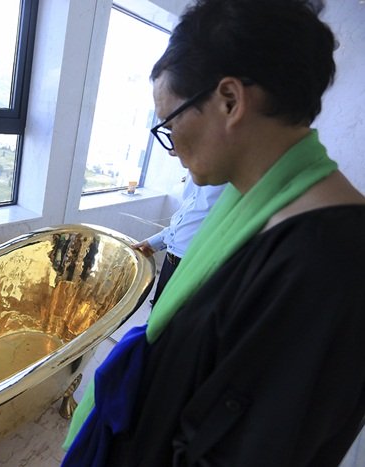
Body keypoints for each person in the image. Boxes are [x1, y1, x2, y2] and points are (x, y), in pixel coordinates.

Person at [62, 0, 365, 466]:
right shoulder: (249, 203)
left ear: (229, 101)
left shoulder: (331, 262)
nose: (171, 145)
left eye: (170, 122)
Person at [133, 172, 225, 305]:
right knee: (158, 309)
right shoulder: (196, 172)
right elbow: (190, 214)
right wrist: (157, 241)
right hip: (172, 258)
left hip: (196, 264)